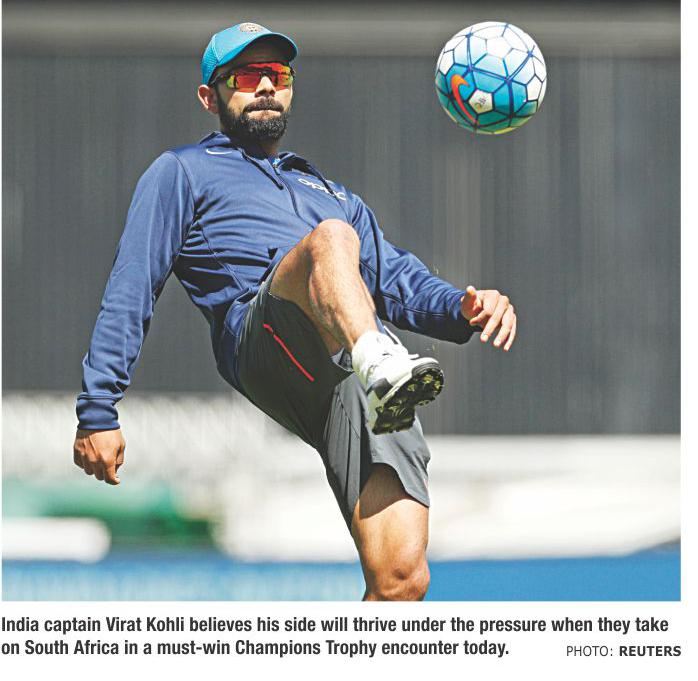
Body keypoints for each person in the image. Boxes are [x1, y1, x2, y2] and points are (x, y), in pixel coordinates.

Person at [73, 22, 517, 601]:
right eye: (245, 76)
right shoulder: (182, 171)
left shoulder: (333, 194)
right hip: (266, 336)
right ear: (209, 96)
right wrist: (99, 408)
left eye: (276, 74)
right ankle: (380, 365)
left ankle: (378, 370)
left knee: (402, 579)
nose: (265, 86)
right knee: (329, 241)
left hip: (354, 374)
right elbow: (133, 281)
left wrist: (464, 307)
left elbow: (400, 283)